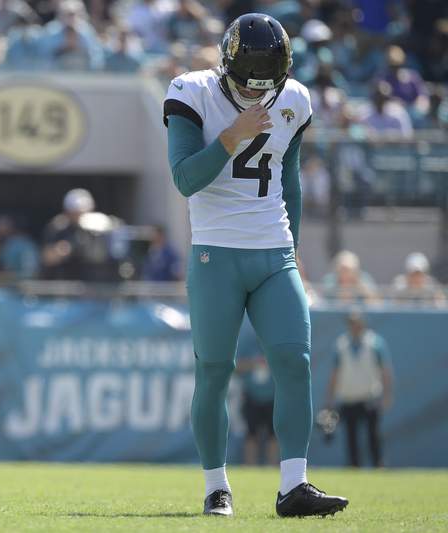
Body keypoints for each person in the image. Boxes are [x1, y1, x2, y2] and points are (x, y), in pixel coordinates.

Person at [163, 13, 347, 517]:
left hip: (274, 253)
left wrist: (294, 248)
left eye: (262, 87)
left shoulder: (295, 99)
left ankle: (294, 485)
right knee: (214, 371)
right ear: (226, 67)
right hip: (215, 252)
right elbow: (184, 179)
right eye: (245, 86)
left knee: (295, 361)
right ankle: (215, 487)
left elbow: (290, 177)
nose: (252, 95)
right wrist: (231, 136)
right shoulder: (191, 91)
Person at [325, 312, 394, 468]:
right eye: (351, 323)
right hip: (348, 398)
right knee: (351, 437)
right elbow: (335, 373)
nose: (354, 326)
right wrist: (329, 399)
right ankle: (354, 467)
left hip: (369, 397)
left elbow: (385, 371)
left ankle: (378, 466)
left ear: (363, 323)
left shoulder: (375, 343)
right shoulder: (341, 344)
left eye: (356, 323)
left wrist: (387, 395)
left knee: (373, 436)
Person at [236, 324, 277, 466]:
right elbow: (236, 366)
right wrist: (254, 363)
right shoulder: (248, 345)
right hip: (252, 395)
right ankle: (250, 467)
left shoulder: (277, 345)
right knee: (251, 434)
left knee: (274, 434)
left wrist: (270, 363)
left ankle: (273, 467)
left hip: (273, 396)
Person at [0, 214, 39, 280]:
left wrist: (5, 275)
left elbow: (30, 272)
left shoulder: (25, 245)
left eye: (3, 224)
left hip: (25, 284)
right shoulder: (5, 244)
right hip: (8, 283)